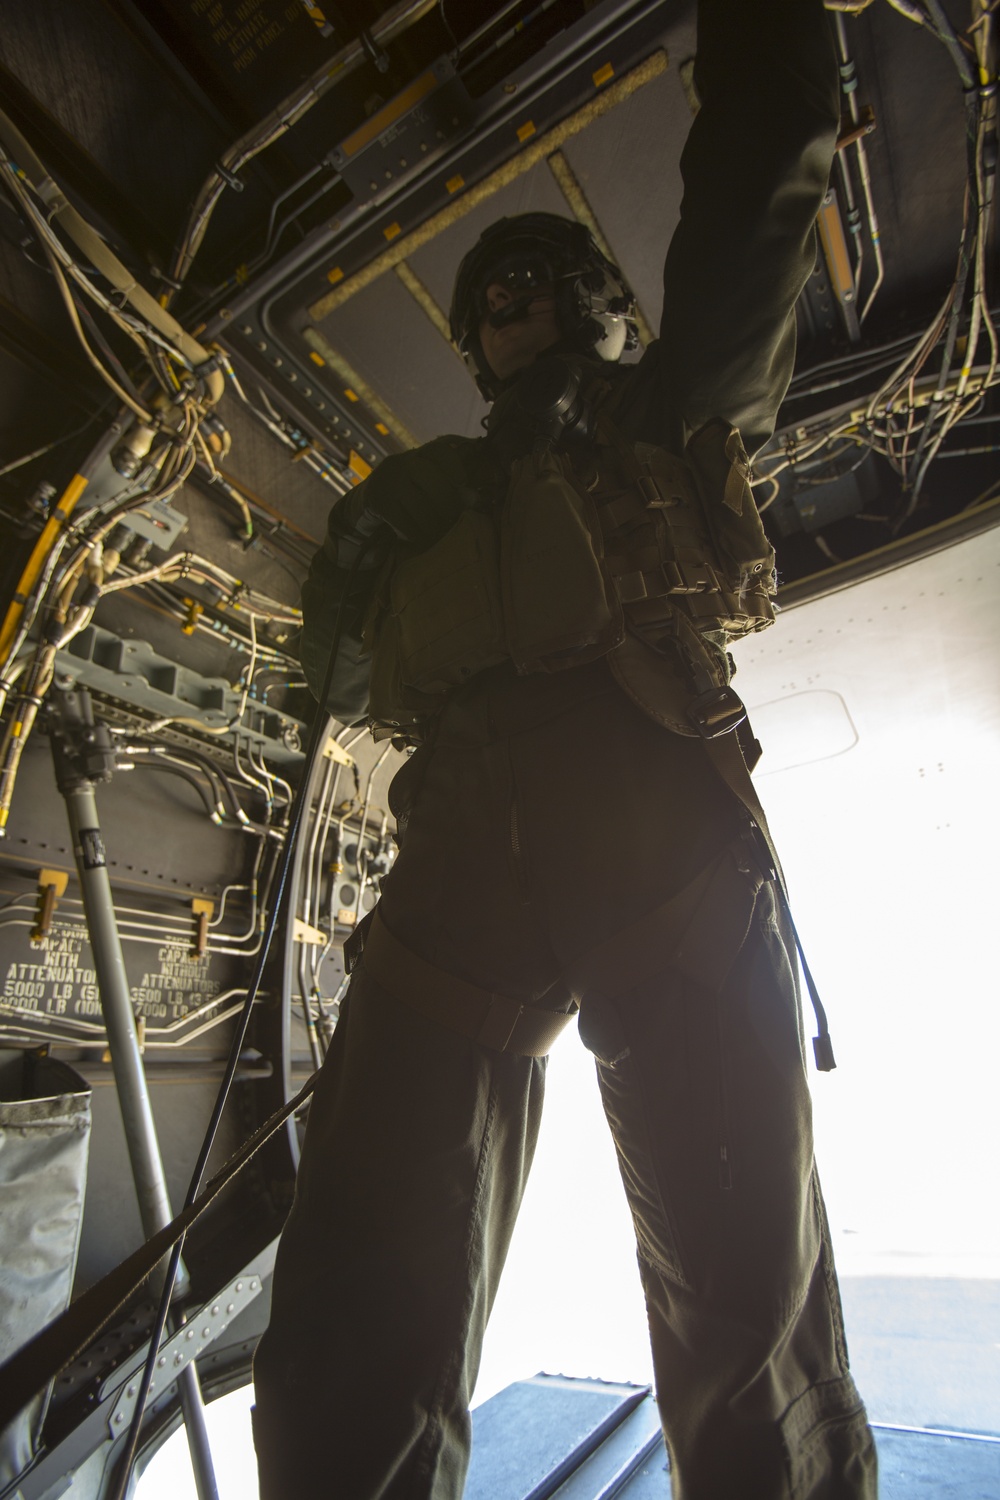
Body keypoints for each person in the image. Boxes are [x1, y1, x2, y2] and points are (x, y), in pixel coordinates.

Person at [252, 0, 879, 1494]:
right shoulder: (430, 499)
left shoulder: (667, 412)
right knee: (350, 1300)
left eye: (542, 280)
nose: (510, 304)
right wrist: (359, 562)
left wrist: (772, 36)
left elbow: (752, 206)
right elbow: (337, 673)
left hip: (657, 825)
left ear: (603, 306)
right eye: (490, 298)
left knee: (747, 1314)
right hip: (456, 861)